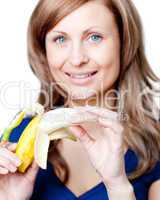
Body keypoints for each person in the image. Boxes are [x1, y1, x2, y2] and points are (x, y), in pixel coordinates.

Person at [0, 0, 160, 199]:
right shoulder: (18, 137)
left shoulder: (155, 143)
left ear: (124, 43)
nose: (77, 59)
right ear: (44, 51)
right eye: (60, 39)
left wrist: (118, 186)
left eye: (94, 37)